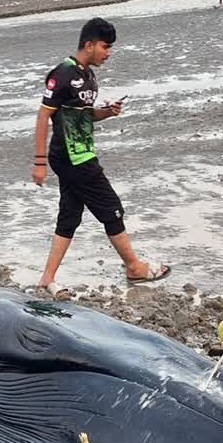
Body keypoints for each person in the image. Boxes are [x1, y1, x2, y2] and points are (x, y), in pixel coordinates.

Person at [31, 17, 170, 296]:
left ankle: (47, 278)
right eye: (105, 47)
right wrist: (39, 162)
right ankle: (134, 267)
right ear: (89, 44)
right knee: (111, 208)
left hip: (81, 152)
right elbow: (44, 115)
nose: (108, 53)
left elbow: (84, 116)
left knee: (70, 215)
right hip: (72, 157)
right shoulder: (62, 74)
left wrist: (108, 111)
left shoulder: (89, 76)